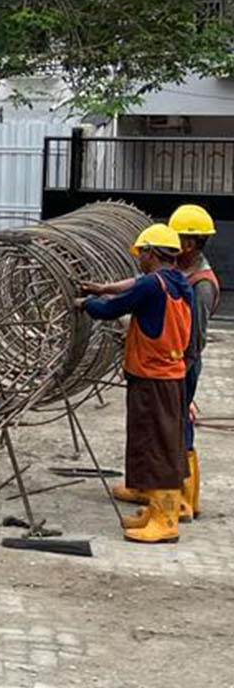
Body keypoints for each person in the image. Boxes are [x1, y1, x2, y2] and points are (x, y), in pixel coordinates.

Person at [79, 223, 193, 544]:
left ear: (151, 253)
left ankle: (166, 521)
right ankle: (155, 510)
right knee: (153, 444)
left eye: (141, 253)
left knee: (158, 448)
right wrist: (104, 288)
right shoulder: (176, 281)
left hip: (153, 378)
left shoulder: (152, 286)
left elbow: (112, 309)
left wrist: (86, 304)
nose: (139, 258)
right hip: (166, 376)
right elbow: (135, 286)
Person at [169, 203, 217, 520]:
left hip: (183, 364)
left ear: (188, 243)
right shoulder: (182, 272)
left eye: (175, 239)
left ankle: (186, 499)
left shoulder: (201, 284)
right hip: (175, 361)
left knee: (180, 423)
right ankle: (161, 489)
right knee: (169, 424)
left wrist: (179, 371)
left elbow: (195, 339)